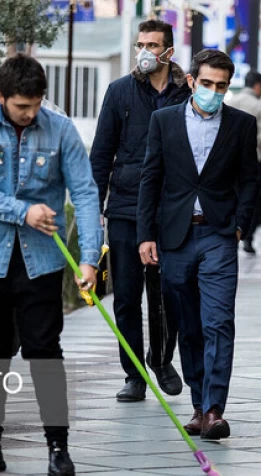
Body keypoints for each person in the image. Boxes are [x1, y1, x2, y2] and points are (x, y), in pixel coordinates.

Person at [0, 54, 102, 476]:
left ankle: (58, 447)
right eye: (21, 106)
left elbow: (86, 195)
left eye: (36, 104)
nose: (31, 113)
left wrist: (89, 259)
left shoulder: (61, 129)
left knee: (44, 351)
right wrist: (23, 212)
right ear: (0, 97)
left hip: (42, 263)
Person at [136, 49, 260, 440]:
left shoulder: (242, 124)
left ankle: (214, 409)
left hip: (219, 235)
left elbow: (250, 180)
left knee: (218, 322)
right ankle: (197, 403)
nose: (213, 91)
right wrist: (146, 235)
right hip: (175, 236)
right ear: (191, 81)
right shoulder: (163, 121)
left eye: (221, 86)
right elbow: (150, 179)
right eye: (207, 84)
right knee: (188, 326)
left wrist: (239, 226)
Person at [90, 19, 188, 403]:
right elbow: (101, 154)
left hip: (170, 210)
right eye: (140, 44)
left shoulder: (186, 93)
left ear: (169, 51)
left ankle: (161, 359)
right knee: (127, 296)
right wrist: (94, 209)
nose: (145, 51)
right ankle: (134, 373)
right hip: (127, 208)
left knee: (167, 295)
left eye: (153, 44)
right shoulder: (120, 92)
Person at [224, 70, 261, 254]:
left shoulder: (230, 102)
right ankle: (246, 236)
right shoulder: (260, 107)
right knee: (252, 200)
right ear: (258, 85)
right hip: (252, 162)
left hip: (228, 162)